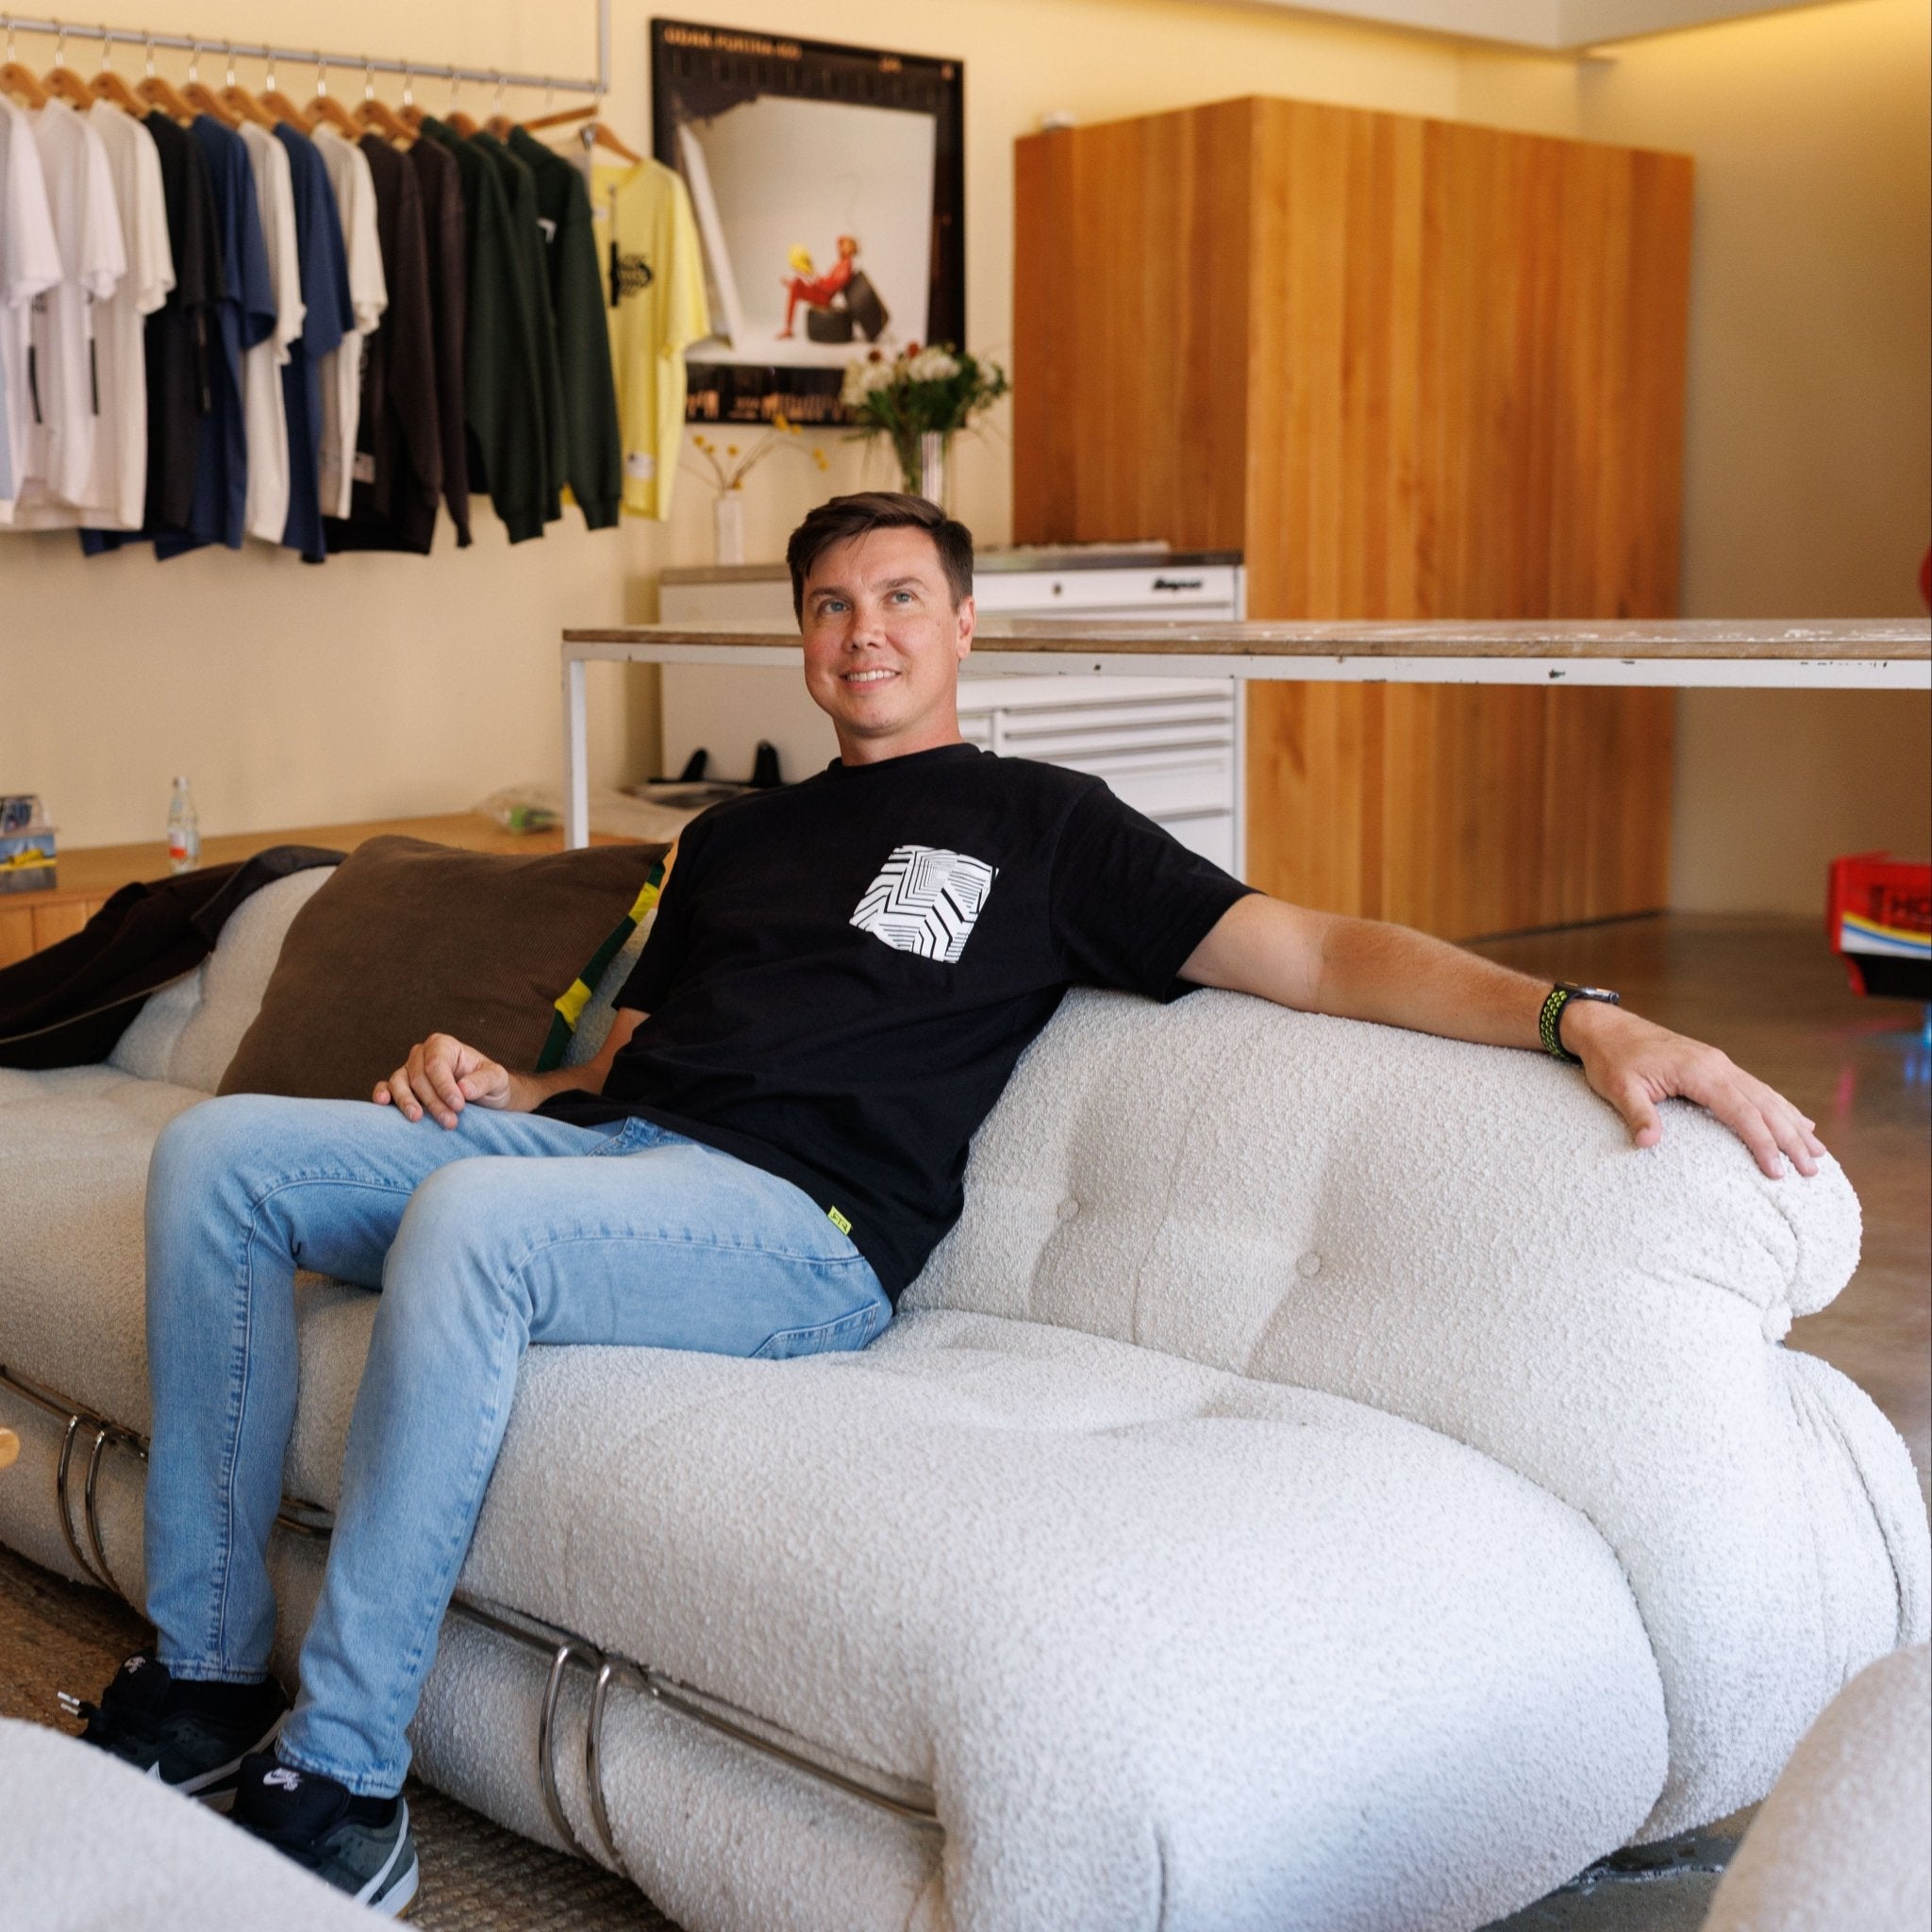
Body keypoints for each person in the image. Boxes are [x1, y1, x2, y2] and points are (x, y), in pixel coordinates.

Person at [67, 491, 1824, 1913]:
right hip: (617, 1167)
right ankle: (212, 1673)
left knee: (464, 1232)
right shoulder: (732, 843)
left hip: (803, 1236)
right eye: (831, 606)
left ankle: (345, 1774)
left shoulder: (1047, 829)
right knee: (223, 1159)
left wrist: (1583, 1012)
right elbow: (639, 1064)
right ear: (804, 642)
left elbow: (1310, 950)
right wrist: (493, 1087)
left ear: (964, 625)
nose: (865, 632)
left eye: (901, 597)